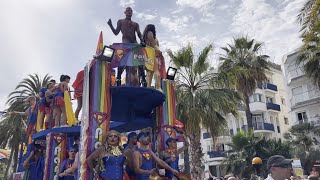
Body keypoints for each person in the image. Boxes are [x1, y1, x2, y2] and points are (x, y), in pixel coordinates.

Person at [107, 7, 146, 87]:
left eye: (131, 11)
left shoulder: (135, 24)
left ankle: (143, 79)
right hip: (125, 44)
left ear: (132, 13)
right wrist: (110, 25)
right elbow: (116, 32)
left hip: (134, 44)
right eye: (128, 10)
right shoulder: (120, 21)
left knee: (139, 61)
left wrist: (142, 40)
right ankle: (118, 78)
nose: (129, 12)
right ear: (125, 12)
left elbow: (139, 33)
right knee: (121, 61)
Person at [142, 24, 162, 90]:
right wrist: (158, 50)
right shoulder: (150, 34)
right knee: (156, 73)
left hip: (147, 57)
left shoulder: (144, 37)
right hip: (153, 57)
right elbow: (154, 43)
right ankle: (158, 88)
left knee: (149, 74)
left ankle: (148, 88)